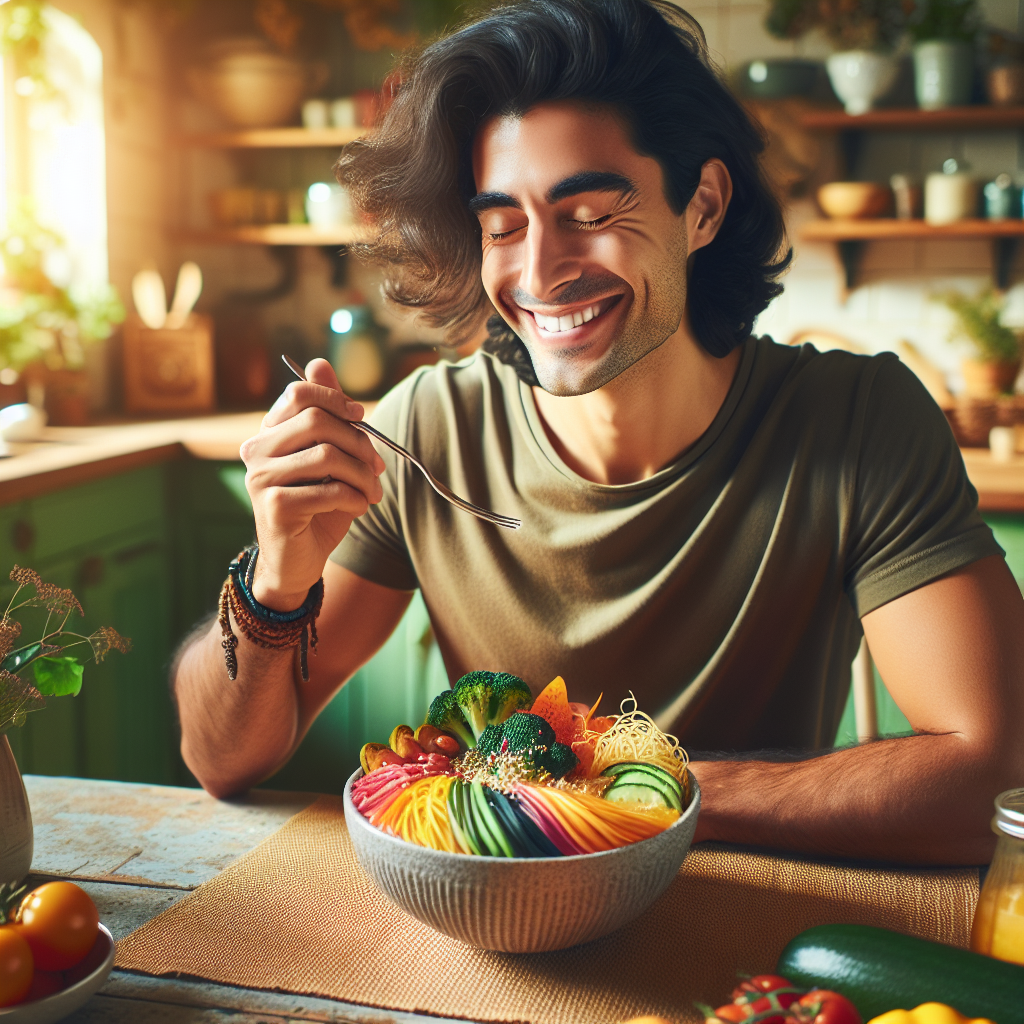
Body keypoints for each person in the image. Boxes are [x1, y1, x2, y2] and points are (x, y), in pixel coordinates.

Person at [173, 0, 1023, 864]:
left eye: (590, 214)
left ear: (703, 207)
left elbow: (999, 776)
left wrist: (632, 794)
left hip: (754, 922)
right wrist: (276, 580)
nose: (539, 271)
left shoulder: (857, 420)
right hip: (510, 931)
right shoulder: (428, 431)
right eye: (503, 226)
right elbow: (221, 762)